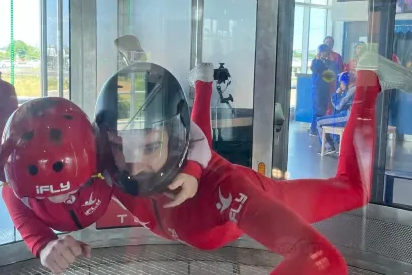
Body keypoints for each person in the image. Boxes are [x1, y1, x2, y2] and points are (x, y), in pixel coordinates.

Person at [0, 32, 212, 274]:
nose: (57, 199)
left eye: (68, 189)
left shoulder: (105, 156)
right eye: (51, 193)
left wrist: (194, 169)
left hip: (102, 179)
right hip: (45, 175)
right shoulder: (16, 178)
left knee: (171, 182)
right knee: (8, 134)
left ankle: (196, 85)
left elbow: (187, 138)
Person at [94, 53, 412, 274]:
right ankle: (203, 82)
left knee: (354, 190)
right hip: (201, 182)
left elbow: (322, 260)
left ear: (177, 139)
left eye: (150, 145)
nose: (134, 166)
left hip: (249, 189)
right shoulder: (108, 163)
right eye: (121, 146)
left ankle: (369, 82)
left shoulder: (226, 189)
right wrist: (45, 241)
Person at [315, 71, 356, 154]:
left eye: (341, 83)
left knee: (319, 121)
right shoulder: (355, 89)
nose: (340, 85)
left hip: (347, 117)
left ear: (346, 82)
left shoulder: (351, 91)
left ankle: (329, 147)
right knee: (332, 117)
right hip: (349, 115)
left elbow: (338, 106)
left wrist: (336, 94)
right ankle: (335, 143)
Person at [310, 44, 337, 136]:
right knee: (318, 108)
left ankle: (318, 128)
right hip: (317, 88)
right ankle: (314, 129)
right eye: (324, 51)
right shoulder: (316, 61)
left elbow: (333, 72)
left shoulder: (329, 62)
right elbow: (315, 70)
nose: (325, 53)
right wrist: (318, 60)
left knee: (323, 107)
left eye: (327, 51)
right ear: (320, 52)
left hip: (325, 87)